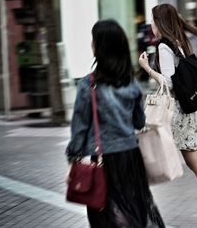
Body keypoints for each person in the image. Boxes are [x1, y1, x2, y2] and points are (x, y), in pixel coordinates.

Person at [66, 19, 165, 228]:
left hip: (104, 159)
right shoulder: (131, 83)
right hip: (130, 158)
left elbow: (80, 127)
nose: (91, 44)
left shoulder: (88, 84)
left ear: (100, 47)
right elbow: (139, 121)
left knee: (104, 213)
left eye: (94, 41)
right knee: (133, 208)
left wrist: (73, 157)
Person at [138, 4, 197, 228]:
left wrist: (147, 68)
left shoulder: (164, 46)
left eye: (153, 20)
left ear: (160, 22)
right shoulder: (179, 42)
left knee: (149, 156)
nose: (151, 24)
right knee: (195, 163)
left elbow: (169, 83)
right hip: (188, 111)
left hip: (177, 113)